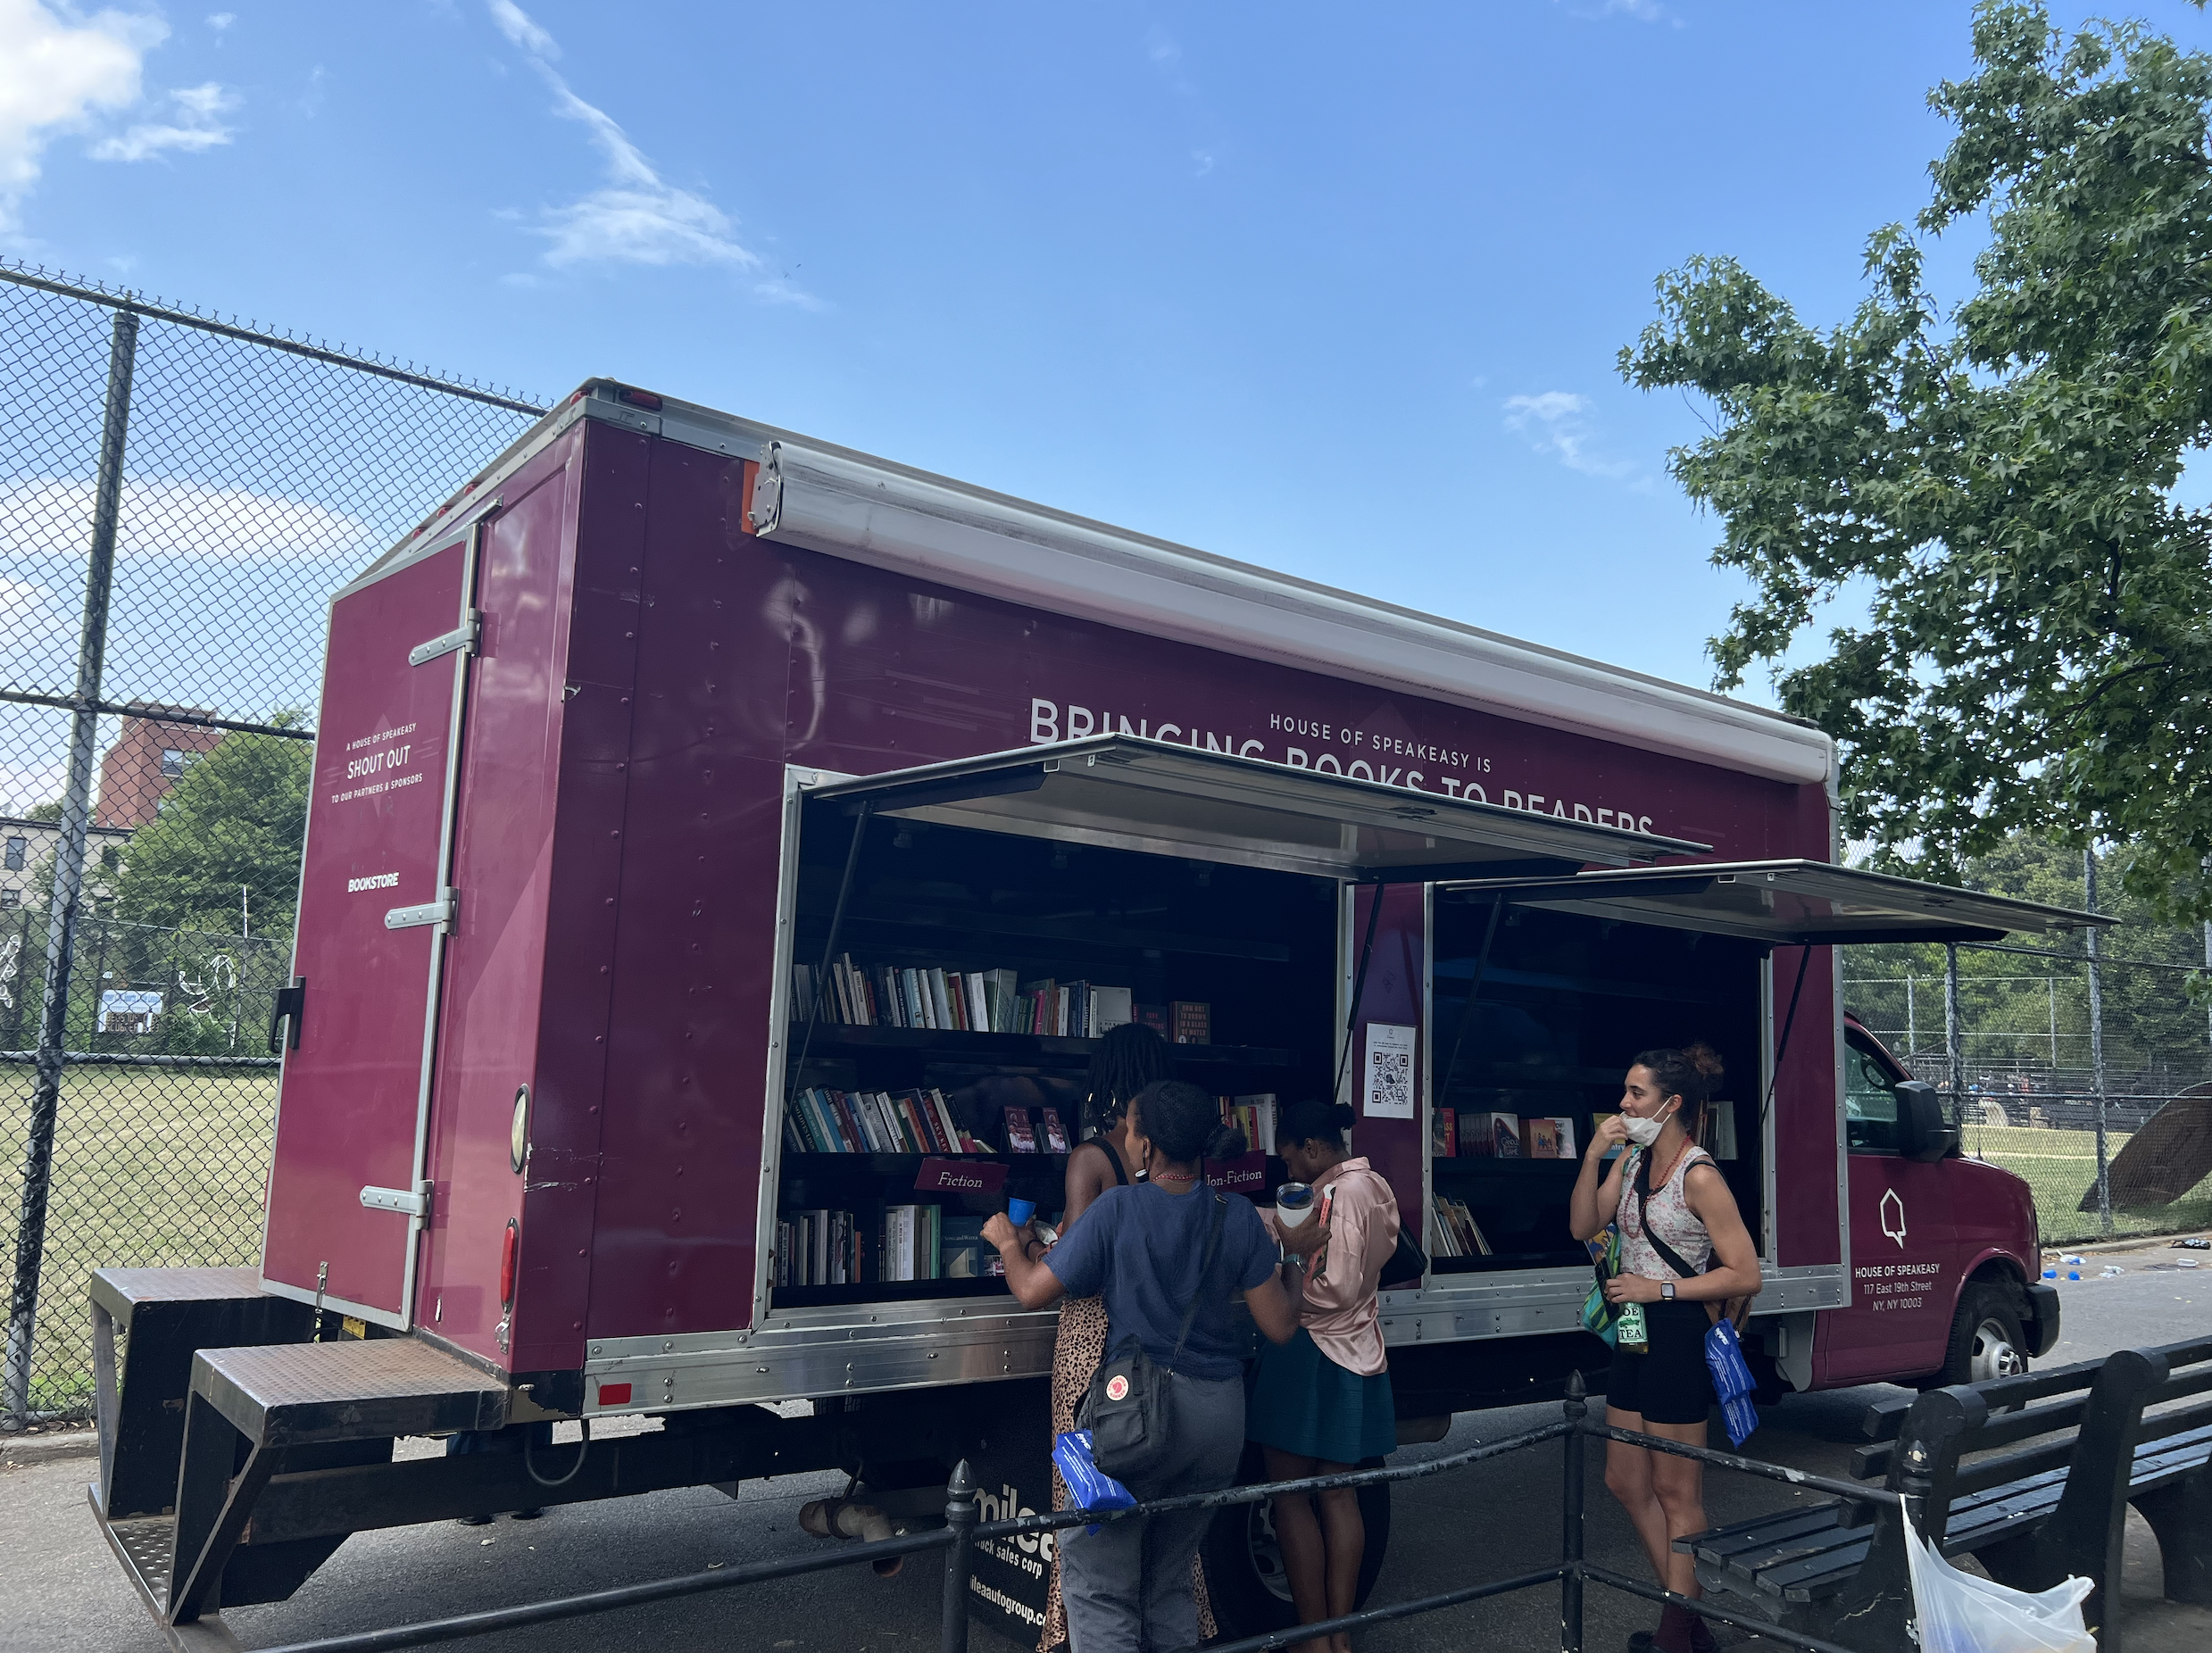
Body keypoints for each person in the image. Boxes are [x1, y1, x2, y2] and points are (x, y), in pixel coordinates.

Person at [988, 1079, 1300, 1653]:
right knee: (1170, 1579)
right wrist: (1300, 1255)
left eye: (1131, 1128)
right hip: (1218, 1418)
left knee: (1101, 1586)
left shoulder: (1118, 1208)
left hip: (1136, 1417)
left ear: (1149, 1146)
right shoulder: (1236, 1217)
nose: (1126, 1139)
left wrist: (1010, 1242)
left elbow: (1034, 1290)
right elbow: (1280, 1326)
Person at [1569, 1044, 1762, 1653]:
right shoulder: (1628, 1163)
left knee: (1679, 1493)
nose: (1624, 1104)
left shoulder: (1699, 1175)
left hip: (1677, 1330)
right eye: (1625, 1092)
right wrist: (1597, 1153)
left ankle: (1676, 1635)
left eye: (1636, 1094)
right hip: (1630, 1328)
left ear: (1671, 1104)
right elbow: (1581, 1228)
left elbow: (1745, 1273)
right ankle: (1687, 1619)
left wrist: (1662, 1288)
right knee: (1625, 1479)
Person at [1035, 1024, 1193, 1653]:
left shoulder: (1090, 1157)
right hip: (1152, 1336)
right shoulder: (1174, 1163)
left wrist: (1020, 1246)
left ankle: (1083, 1631)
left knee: (1085, 1491)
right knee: (1150, 1485)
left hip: (1089, 1339)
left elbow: (1073, 1261)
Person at [1248, 1100, 1398, 1653]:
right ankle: (1338, 1633)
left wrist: (1284, 1261)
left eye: (1290, 1160)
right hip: (1358, 1347)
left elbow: (1331, 1283)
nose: (1289, 1172)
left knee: (1290, 1495)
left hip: (1310, 1350)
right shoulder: (1374, 1186)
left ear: (1313, 1148)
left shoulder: (1343, 1195)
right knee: (1338, 1493)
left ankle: (1314, 1636)